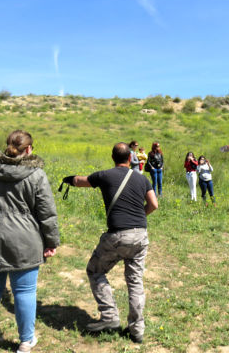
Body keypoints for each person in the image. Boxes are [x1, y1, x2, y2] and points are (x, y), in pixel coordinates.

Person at [0, 130, 60, 353]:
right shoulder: (36, 175)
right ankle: (26, 342)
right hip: (23, 239)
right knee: (25, 292)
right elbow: (47, 213)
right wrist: (51, 242)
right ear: (29, 149)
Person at [61, 142, 158, 343]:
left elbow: (80, 181)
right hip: (140, 235)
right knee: (135, 282)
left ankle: (110, 316)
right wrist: (141, 216)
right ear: (130, 158)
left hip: (117, 236)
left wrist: (67, 179)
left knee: (95, 271)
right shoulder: (142, 179)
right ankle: (137, 330)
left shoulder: (105, 175)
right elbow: (154, 204)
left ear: (113, 157)